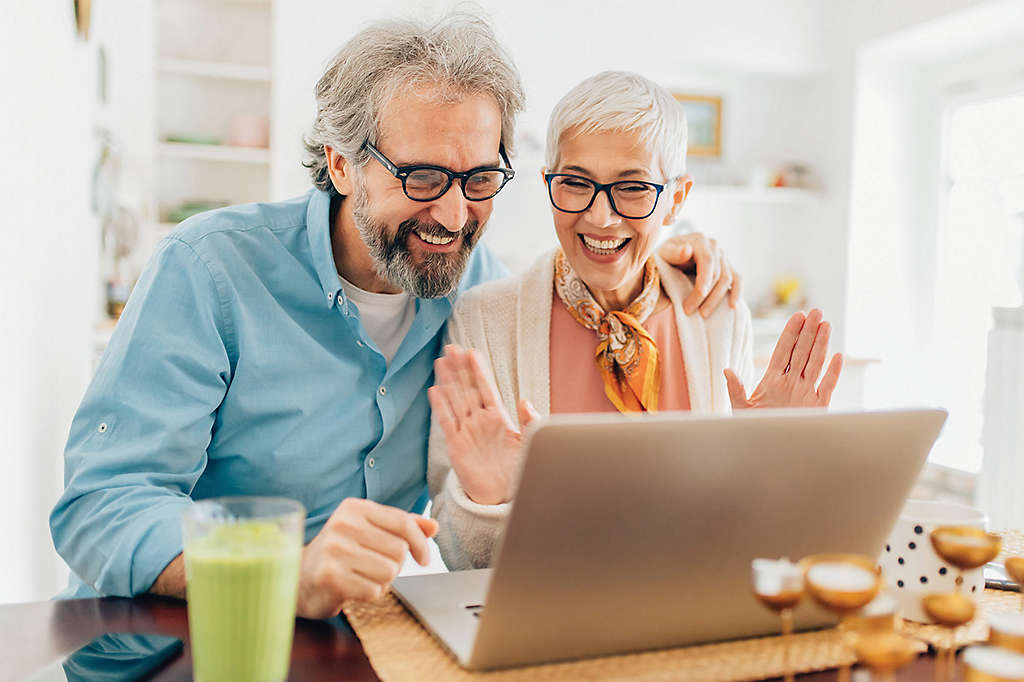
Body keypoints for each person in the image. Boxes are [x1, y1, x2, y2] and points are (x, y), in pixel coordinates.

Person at [49, 17, 740, 618]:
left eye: (477, 179)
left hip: (356, 640)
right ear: (342, 163)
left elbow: (587, 264)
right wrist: (280, 574)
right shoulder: (210, 271)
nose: (451, 215)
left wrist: (668, 252)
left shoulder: (483, 297)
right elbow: (102, 504)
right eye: (422, 178)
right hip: (165, 633)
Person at [427, 71, 844, 571]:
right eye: (576, 183)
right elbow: (458, 556)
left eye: (632, 188)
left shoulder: (718, 317)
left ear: (677, 199)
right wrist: (487, 497)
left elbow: (750, 543)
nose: (601, 218)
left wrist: (777, 461)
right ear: (548, 185)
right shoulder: (484, 320)